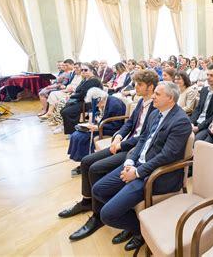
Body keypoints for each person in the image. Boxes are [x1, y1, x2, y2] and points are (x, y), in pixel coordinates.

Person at [58, 70, 159, 243]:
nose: (136, 87)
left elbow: (145, 137)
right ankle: (87, 201)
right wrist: (119, 135)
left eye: (140, 85)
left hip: (133, 149)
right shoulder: (142, 101)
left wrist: (121, 144)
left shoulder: (157, 107)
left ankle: (98, 216)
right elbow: (129, 123)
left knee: (96, 169)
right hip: (125, 143)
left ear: (150, 87)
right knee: (86, 162)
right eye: (135, 84)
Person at [92, 82, 192, 252]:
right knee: (98, 189)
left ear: (170, 98)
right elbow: (142, 139)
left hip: (157, 174)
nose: (152, 96)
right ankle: (135, 225)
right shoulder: (155, 113)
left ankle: (140, 232)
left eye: (157, 94)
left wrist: (137, 173)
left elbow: (167, 156)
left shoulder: (181, 121)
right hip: (138, 165)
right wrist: (130, 161)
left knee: (107, 215)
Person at [67, 87, 126, 177]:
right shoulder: (104, 101)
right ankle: (83, 162)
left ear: (100, 99)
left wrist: (97, 127)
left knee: (82, 137)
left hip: (111, 129)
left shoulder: (115, 104)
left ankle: (88, 163)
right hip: (102, 126)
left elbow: (117, 125)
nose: (97, 106)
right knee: (75, 134)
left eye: (97, 104)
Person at [61, 63, 103, 135]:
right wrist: (73, 95)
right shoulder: (85, 79)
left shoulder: (94, 80)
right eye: (82, 70)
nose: (83, 71)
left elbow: (83, 94)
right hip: (81, 100)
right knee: (63, 110)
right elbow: (78, 90)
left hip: (89, 103)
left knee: (67, 112)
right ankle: (73, 128)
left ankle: (73, 132)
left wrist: (71, 96)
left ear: (92, 71)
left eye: (85, 70)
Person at [191, 64, 213, 139]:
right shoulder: (204, 90)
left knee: (195, 140)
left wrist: (198, 127)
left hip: (208, 125)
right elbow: (198, 109)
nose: (208, 78)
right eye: (207, 75)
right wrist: (191, 123)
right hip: (196, 122)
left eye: (212, 75)